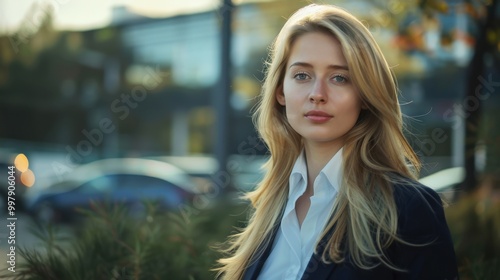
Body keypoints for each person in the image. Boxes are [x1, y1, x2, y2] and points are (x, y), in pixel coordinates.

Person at [216, 4, 458, 280]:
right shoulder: (271, 204)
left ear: (365, 95)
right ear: (280, 91)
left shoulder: (409, 209)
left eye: (340, 77)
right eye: (302, 75)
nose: (317, 94)